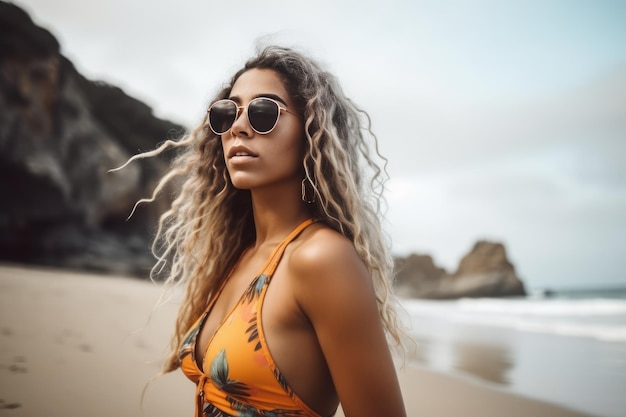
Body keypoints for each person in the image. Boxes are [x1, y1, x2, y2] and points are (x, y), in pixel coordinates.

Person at [133, 45, 407, 417]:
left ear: (311, 132)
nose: (238, 127)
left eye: (263, 112)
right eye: (226, 113)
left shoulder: (321, 259)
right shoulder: (242, 254)